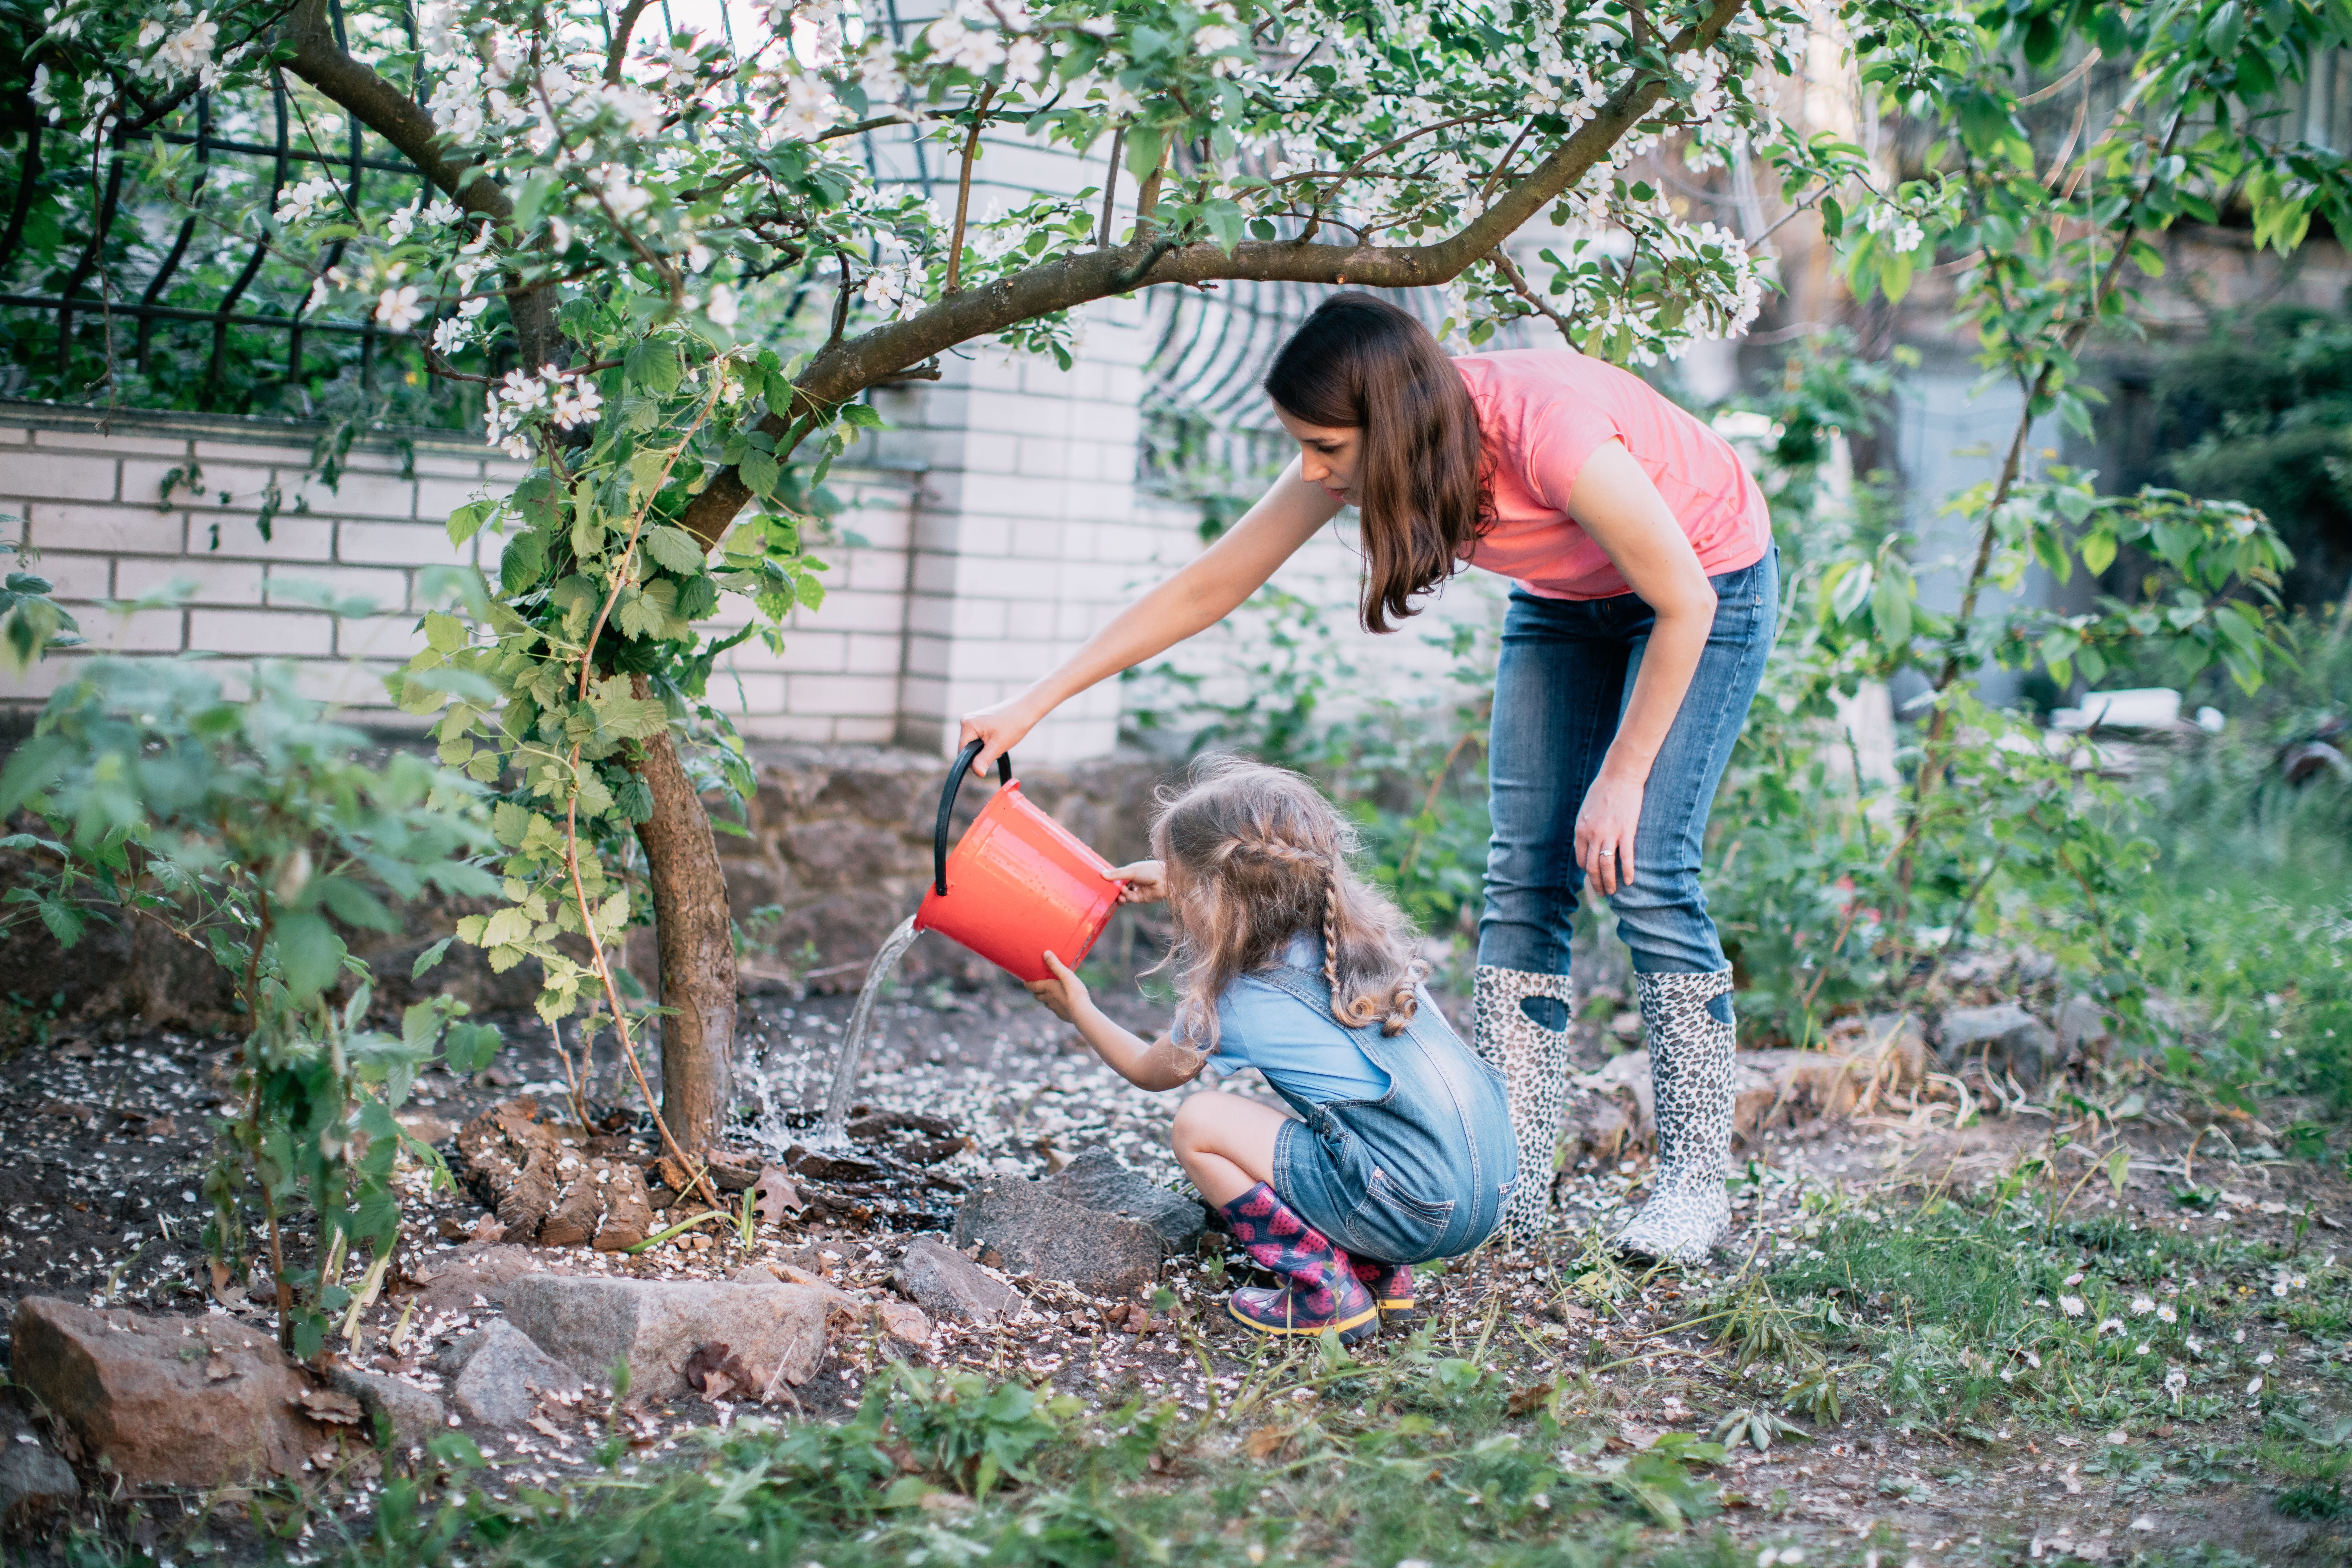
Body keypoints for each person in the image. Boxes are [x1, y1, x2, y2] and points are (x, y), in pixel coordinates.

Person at [963, 294, 1777, 1263]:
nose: (1312, 472)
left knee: (1645, 867)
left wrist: (1624, 775)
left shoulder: (1549, 433)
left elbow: (1684, 599)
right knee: (1524, 876)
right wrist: (1035, 702)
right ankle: (1510, 1186)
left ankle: (1692, 1188)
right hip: (1570, 599)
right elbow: (1210, 584)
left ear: (1389, 424)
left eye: (1325, 449)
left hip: (1706, 583)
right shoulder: (1368, 446)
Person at [1024, 758, 1517, 1342]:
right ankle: (1379, 1271)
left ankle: (1322, 1289)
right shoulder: (1367, 945)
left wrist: (1079, 1007)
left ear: (1212, 897)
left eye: (1185, 885)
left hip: (1412, 1211)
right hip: (1491, 1191)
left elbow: (1148, 1070)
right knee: (1353, 1118)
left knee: (1199, 1123)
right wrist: (1182, 878)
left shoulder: (1240, 1001)